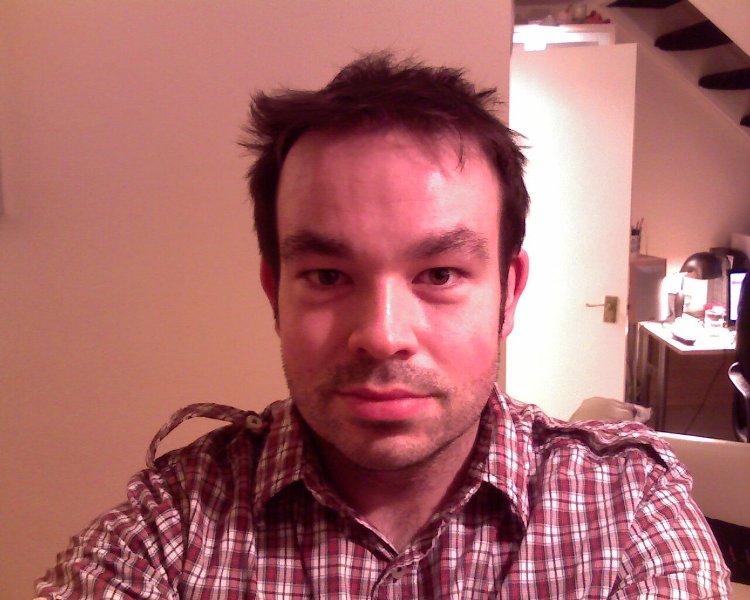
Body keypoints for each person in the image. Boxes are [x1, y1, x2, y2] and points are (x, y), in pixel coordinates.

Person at [36, 52, 729, 599]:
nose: (382, 334)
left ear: (509, 292)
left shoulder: (626, 506)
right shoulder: (176, 523)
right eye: (327, 276)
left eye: (440, 274)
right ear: (275, 292)